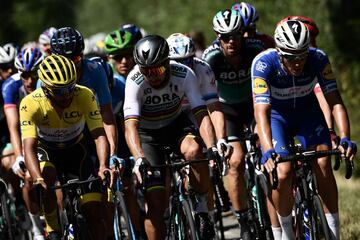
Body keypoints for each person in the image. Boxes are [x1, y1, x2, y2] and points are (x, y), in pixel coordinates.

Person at [252, 19, 357, 240]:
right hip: (276, 117)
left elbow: (335, 101)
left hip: (307, 114)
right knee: (283, 172)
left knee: (323, 163)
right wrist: (268, 149)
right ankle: (287, 232)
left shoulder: (318, 58)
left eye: (302, 55)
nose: (298, 62)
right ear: (280, 53)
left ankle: (333, 234)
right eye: (291, 57)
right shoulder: (263, 63)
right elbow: (261, 112)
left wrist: (345, 136)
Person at [124, 35, 216, 240]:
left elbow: (201, 113)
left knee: (195, 151)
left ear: (167, 62)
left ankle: (202, 209)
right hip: (148, 136)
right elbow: (131, 125)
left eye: (157, 69)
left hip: (175, 126)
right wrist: (139, 157)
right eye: (146, 71)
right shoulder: (134, 80)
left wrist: (212, 147)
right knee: (155, 206)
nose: (152, 76)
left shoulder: (184, 73)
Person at [20, 54, 116, 240]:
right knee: (45, 177)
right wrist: (37, 179)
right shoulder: (30, 104)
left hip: (76, 151)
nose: (67, 95)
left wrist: (104, 165)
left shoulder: (85, 94)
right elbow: (29, 147)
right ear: (46, 89)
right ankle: (52, 227)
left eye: (70, 88)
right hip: (47, 150)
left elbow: (98, 134)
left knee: (94, 211)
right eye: (59, 91)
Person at [202, 9, 265, 239]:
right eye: (224, 37)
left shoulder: (256, 50)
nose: (230, 41)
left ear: (243, 35)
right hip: (227, 109)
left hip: (254, 105)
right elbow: (208, 99)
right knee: (236, 162)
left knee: (267, 148)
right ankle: (244, 220)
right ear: (217, 37)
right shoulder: (212, 58)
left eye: (235, 36)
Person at [49, 27, 119, 161]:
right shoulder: (45, 78)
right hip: (60, 132)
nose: (72, 65)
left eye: (76, 58)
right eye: (65, 60)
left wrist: (113, 154)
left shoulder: (95, 70)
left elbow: (107, 114)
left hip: (89, 125)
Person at [2, 47, 45, 239]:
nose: (30, 81)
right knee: (26, 177)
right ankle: (36, 228)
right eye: (25, 76)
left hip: (46, 131)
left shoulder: (48, 80)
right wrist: (19, 155)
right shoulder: (10, 87)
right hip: (23, 133)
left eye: (33, 75)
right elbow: (13, 125)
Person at [278, 15, 339, 148]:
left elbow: (324, 97)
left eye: (311, 40)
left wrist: (329, 130)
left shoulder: (315, 60)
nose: (312, 45)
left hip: (306, 115)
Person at [103, 28, 142, 236]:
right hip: (112, 135)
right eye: (118, 57)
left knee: (129, 188)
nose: (124, 61)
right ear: (111, 59)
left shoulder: (130, 82)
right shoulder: (107, 81)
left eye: (128, 55)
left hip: (132, 130)